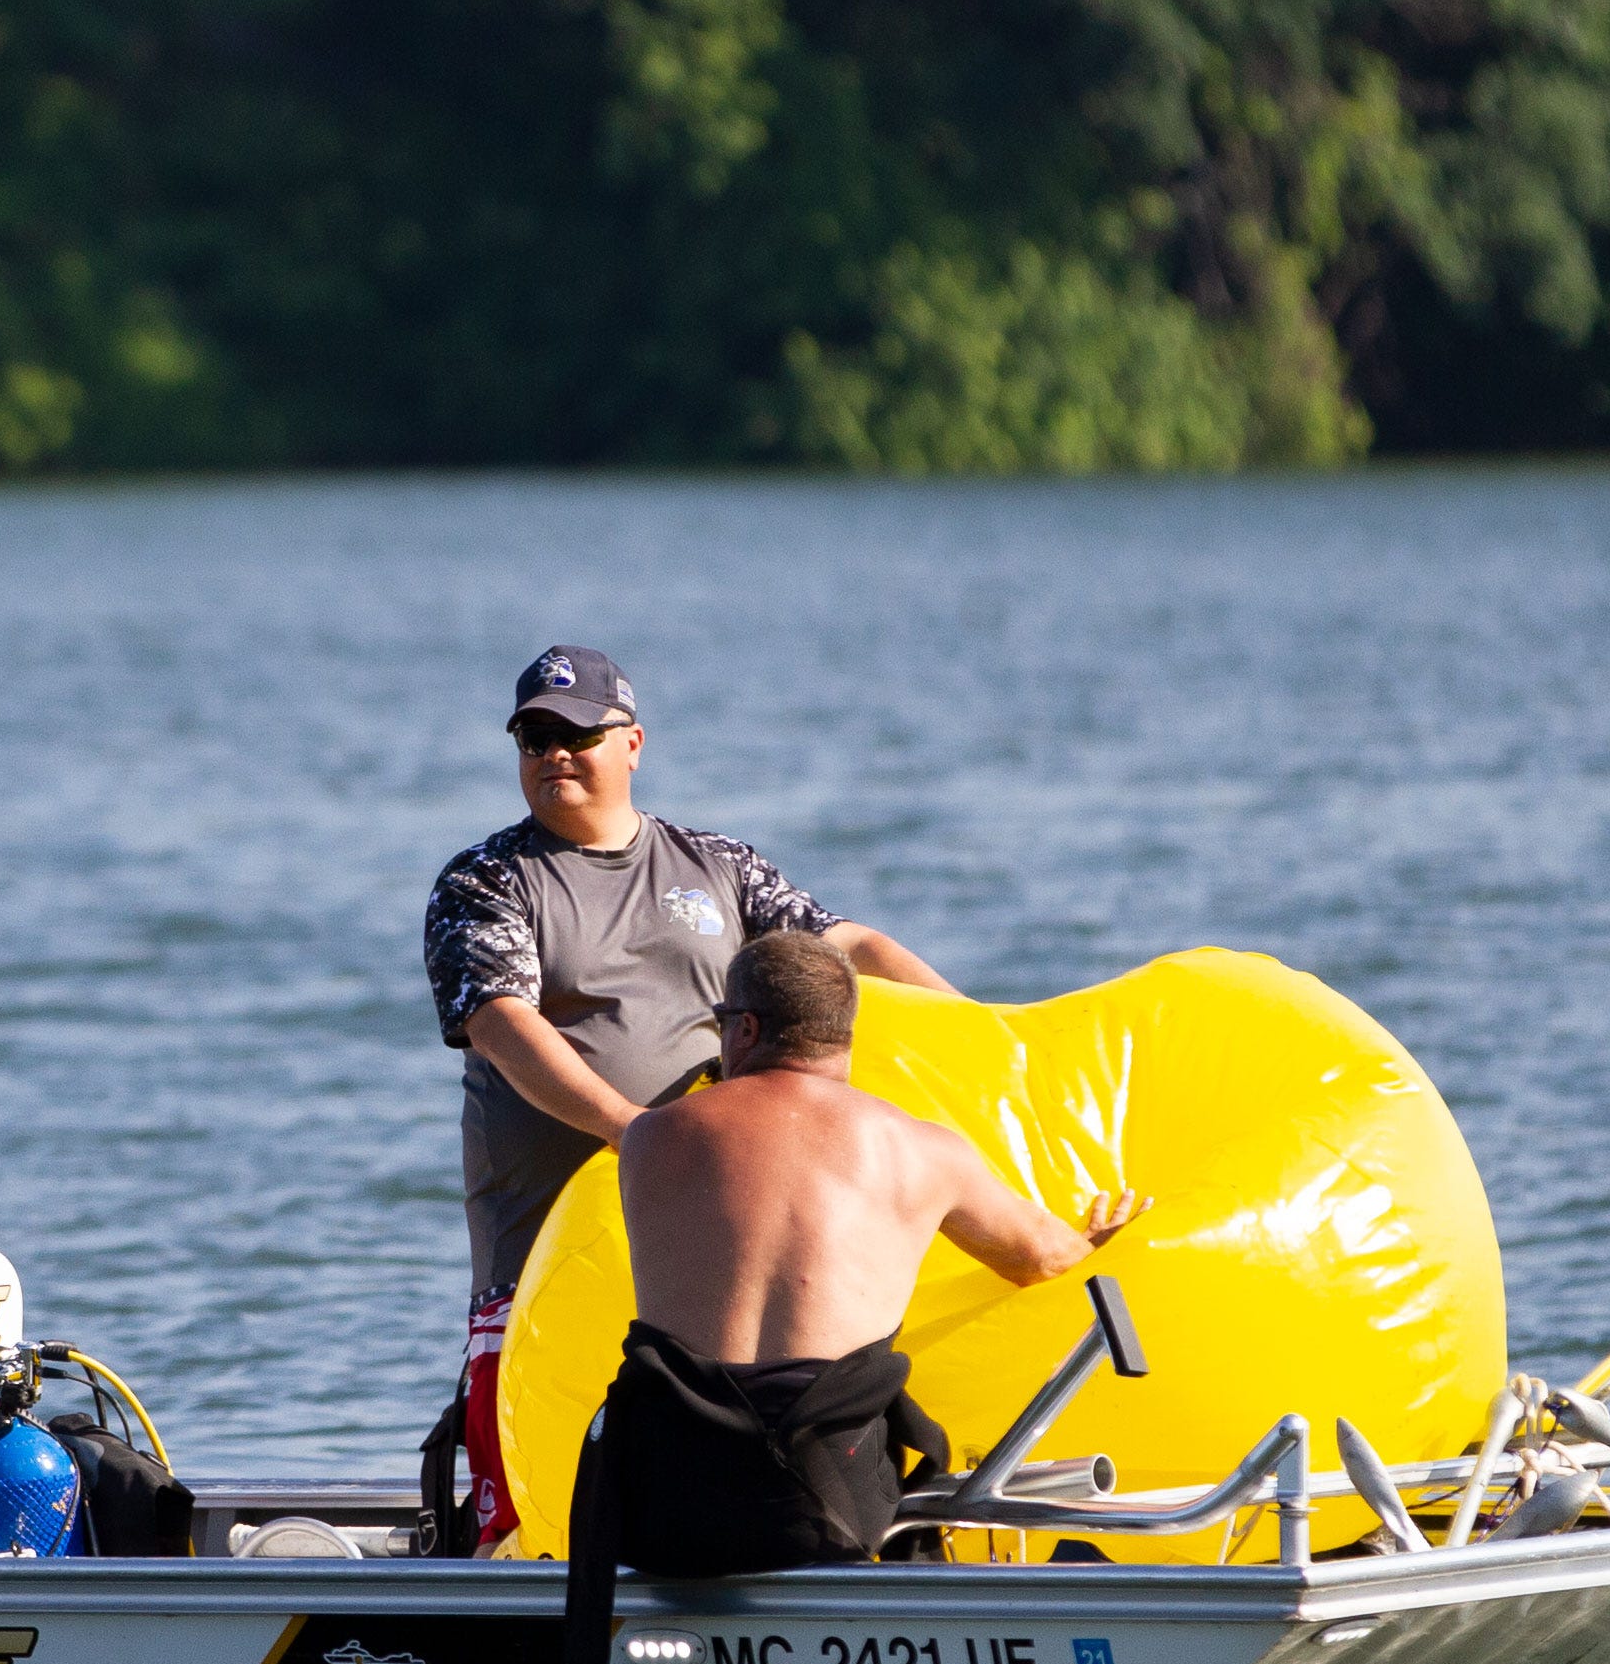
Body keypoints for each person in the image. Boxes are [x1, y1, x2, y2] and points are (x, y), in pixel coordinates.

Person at [419, 642, 953, 1545]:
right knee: (523, 1531)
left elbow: (844, 953)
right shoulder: (484, 881)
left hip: (702, 1275)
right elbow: (504, 1023)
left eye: (577, 733)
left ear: (631, 743)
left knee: (730, 1519)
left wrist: (992, 1036)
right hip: (540, 1271)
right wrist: (637, 1132)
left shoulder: (716, 864)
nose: (554, 753)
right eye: (534, 736)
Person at [578, 931, 1128, 1578]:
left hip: (667, 1510)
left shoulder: (650, 1139)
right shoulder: (922, 1150)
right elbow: (1042, 1257)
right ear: (844, 1032)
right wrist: (1097, 1232)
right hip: (830, 1508)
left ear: (746, 1028)